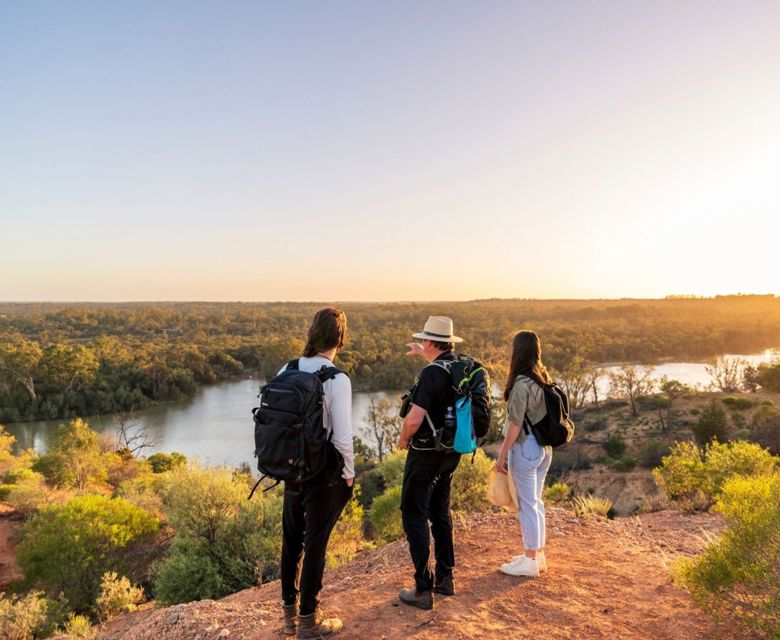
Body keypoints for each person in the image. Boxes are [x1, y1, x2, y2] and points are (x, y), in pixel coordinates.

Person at [279, 308, 354, 639]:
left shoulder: (288, 368)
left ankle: (288, 618)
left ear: (311, 334)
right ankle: (309, 623)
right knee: (316, 545)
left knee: (291, 543)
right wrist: (348, 474)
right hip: (322, 475)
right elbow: (342, 436)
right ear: (340, 339)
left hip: (291, 470)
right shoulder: (336, 379)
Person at [396, 315, 463, 610]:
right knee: (439, 509)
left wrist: (401, 440)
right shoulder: (459, 368)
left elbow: (413, 419)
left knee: (413, 512)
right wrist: (422, 351)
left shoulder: (430, 374)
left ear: (428, 341)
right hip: (451, 452)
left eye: (424, 340)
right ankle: (445, 578)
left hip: (425, 454)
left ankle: (423, 589)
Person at [495, 330, 553, 578]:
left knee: (527, 505)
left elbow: (515, 424)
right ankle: (537, 555)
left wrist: (502, 455)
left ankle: (530, 561)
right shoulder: (543, 377)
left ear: (517, 351)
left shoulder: (521, 383)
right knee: (535, 502)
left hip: (526, 448)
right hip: (544, 448)